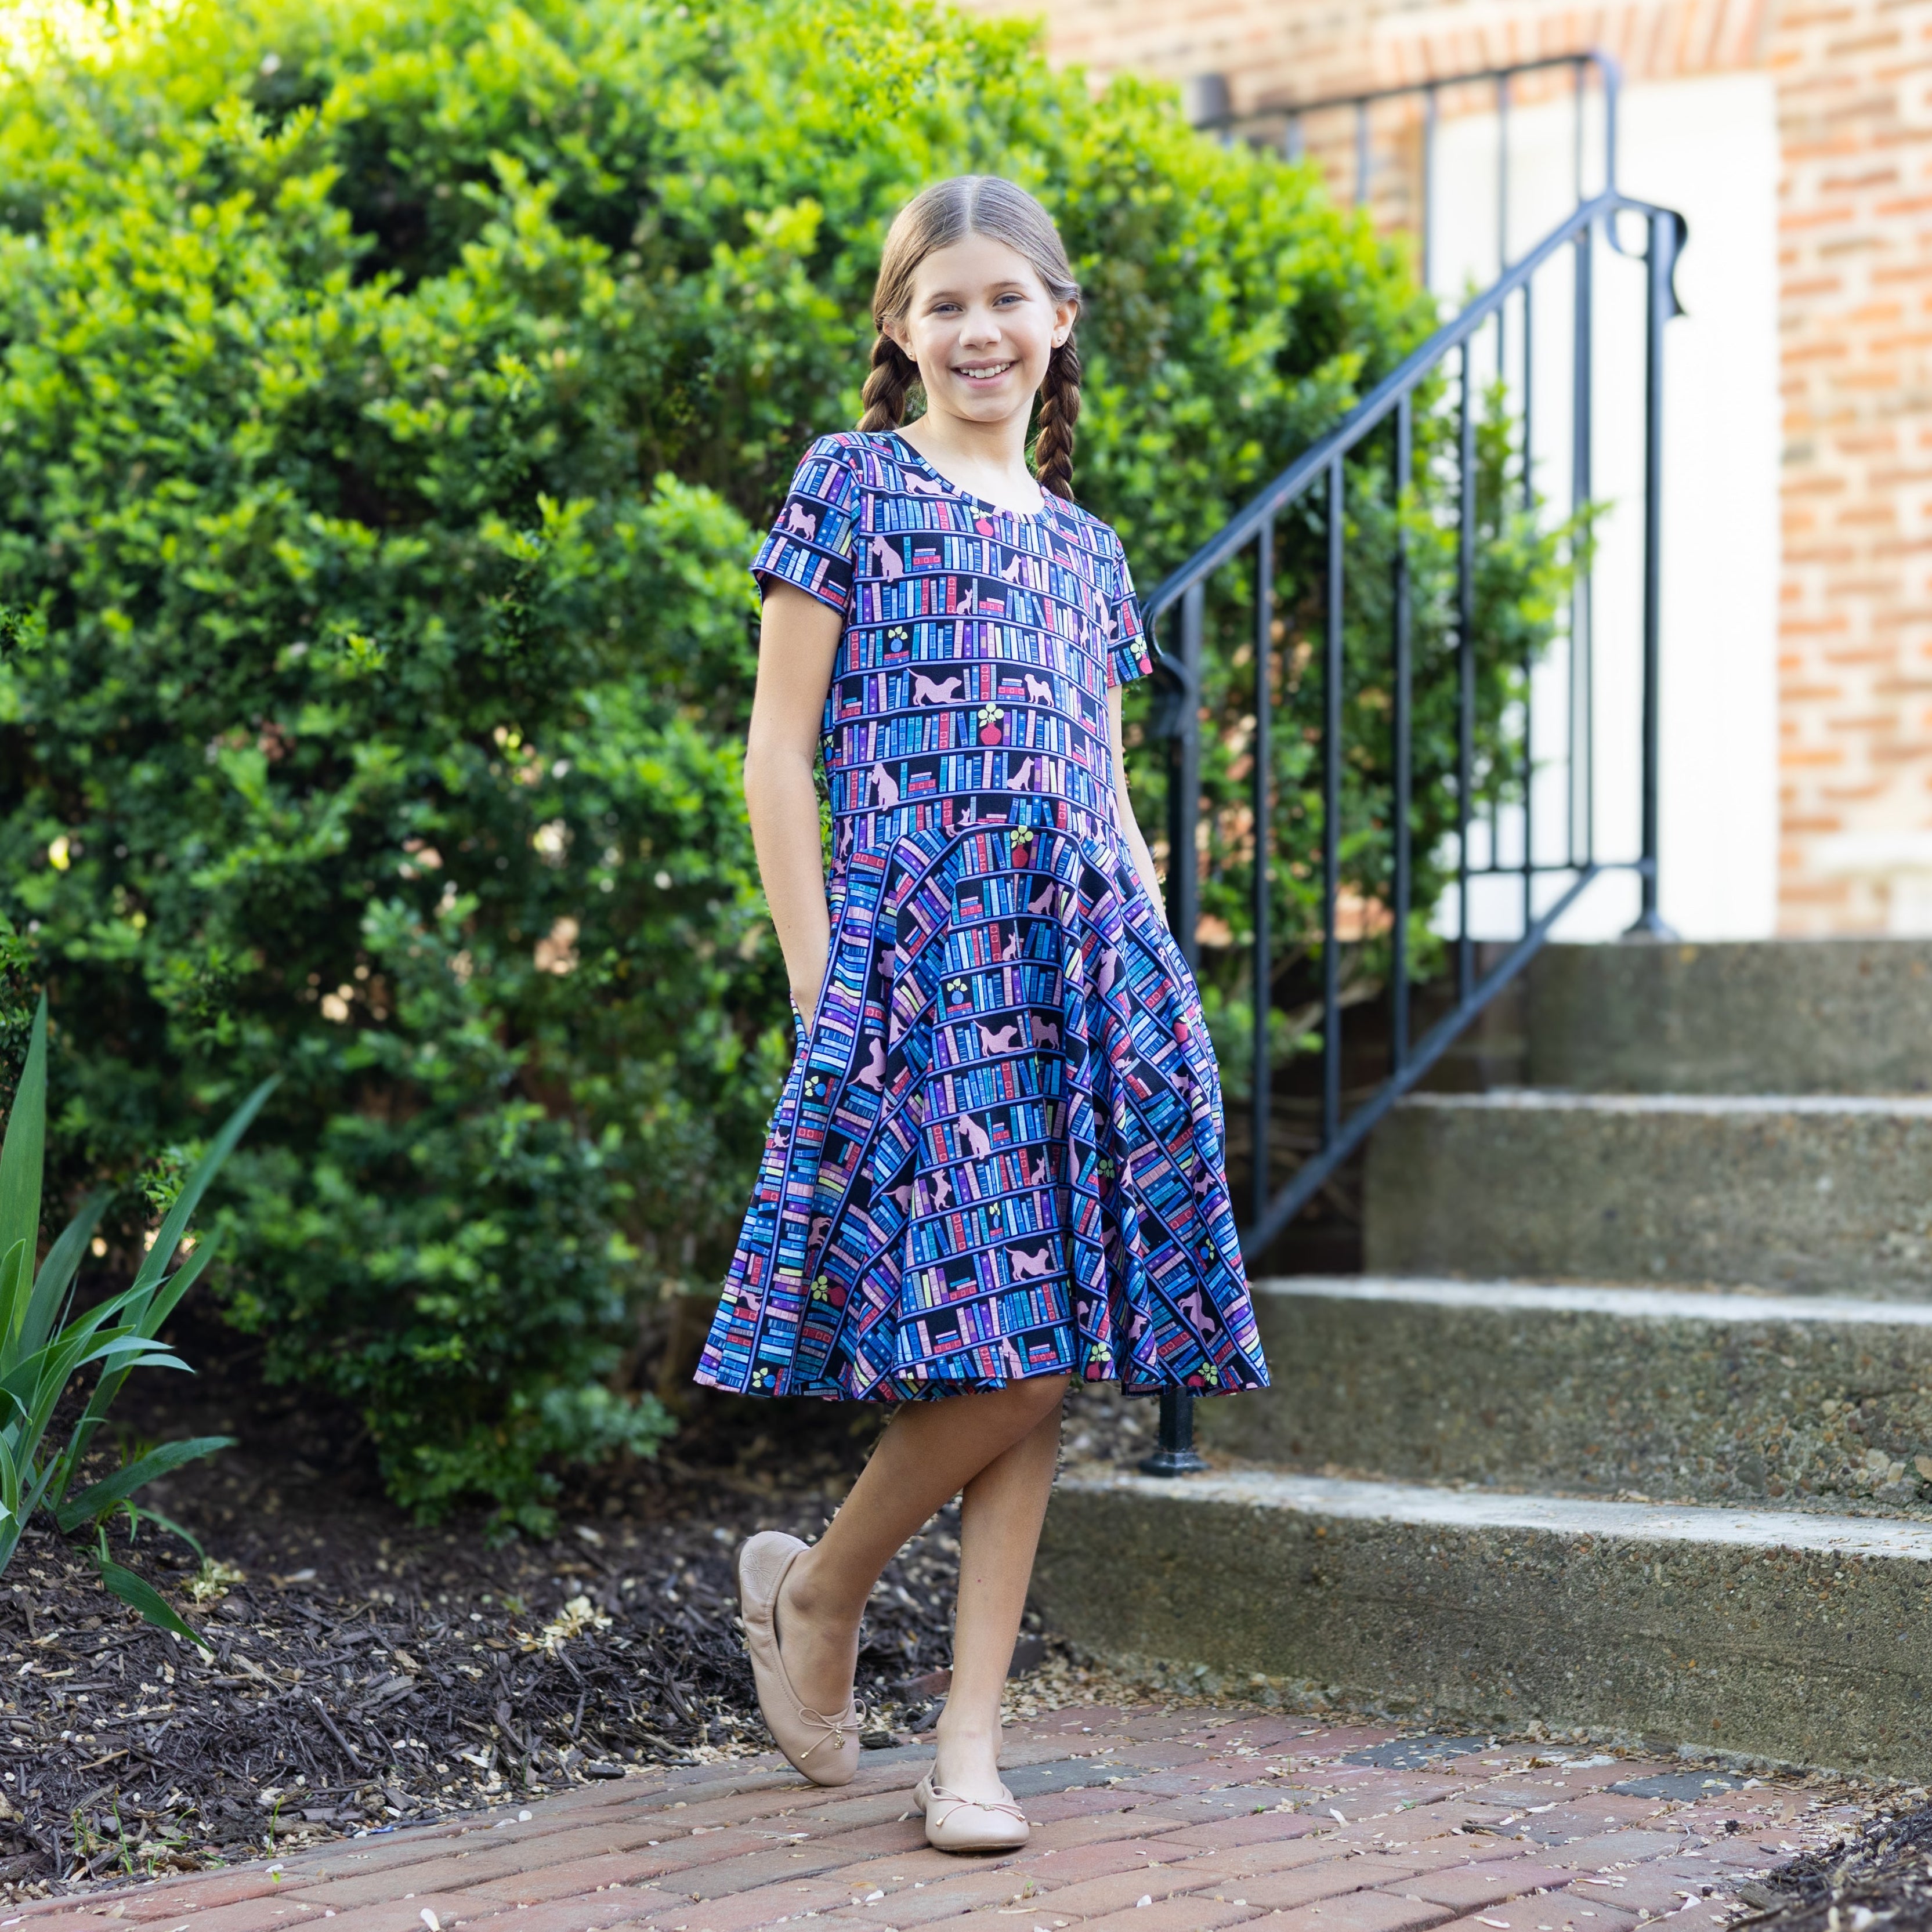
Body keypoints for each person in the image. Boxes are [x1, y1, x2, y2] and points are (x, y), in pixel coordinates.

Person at [693, 175, 1268, 1854]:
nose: (977, 330)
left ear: (1059, 320)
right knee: (1002, 1357)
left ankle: (967, 1741)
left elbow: (1103, 785)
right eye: (942, 303)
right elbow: (776, 752)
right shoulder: (851, 485)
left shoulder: (1088, 552)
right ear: (899, 327)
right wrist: (819, 970)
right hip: (920, 966)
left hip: (1082, 973)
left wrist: (1157, 974)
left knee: (1049, 1352)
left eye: (1006, 298)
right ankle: (821, 1590)